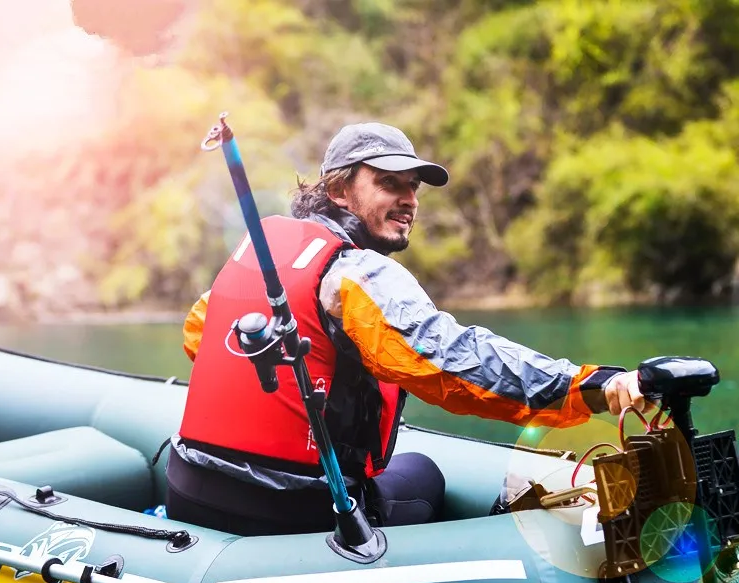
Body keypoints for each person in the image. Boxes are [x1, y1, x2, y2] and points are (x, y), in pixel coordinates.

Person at [166, 122, 645, 534]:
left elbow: (198, 338)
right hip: (295, 512)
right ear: (338, 190)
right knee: (423, 473)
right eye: (389, 183)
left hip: (189, 488)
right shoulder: (358, 272)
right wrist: (591, 386)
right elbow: (456, 362)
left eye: (414, 186)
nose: (409, 200)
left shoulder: (259, 253)